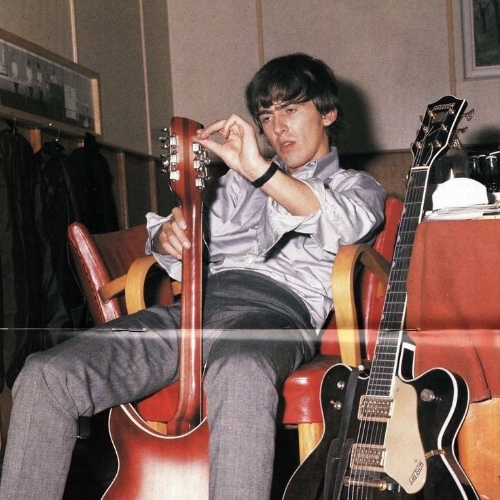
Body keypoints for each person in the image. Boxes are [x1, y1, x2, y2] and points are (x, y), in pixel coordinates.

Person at [0, 53, 386, 500]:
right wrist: (166, 238)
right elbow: (178, 234)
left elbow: (342, 224)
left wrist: (259, 171)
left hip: (275, 316)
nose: (277, 127)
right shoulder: (234, 186)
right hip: (194, 308)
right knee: (45, 375)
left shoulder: (356, 186)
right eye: (266, 116)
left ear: (328, 113)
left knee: (241, 371)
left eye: (291, 109)